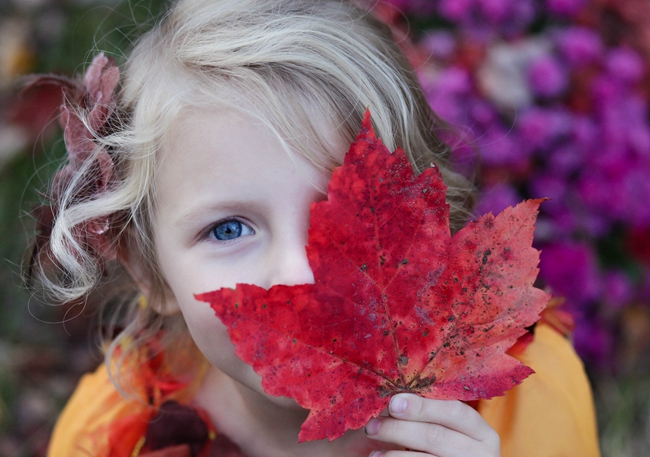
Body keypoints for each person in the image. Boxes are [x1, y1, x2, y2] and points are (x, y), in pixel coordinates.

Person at [27, 0, 601, 456]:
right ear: (148, 268)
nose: (301, 272)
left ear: (428, 226)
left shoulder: (524, 402)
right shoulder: (106, 439)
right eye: (229, 230)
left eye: (345, 212)